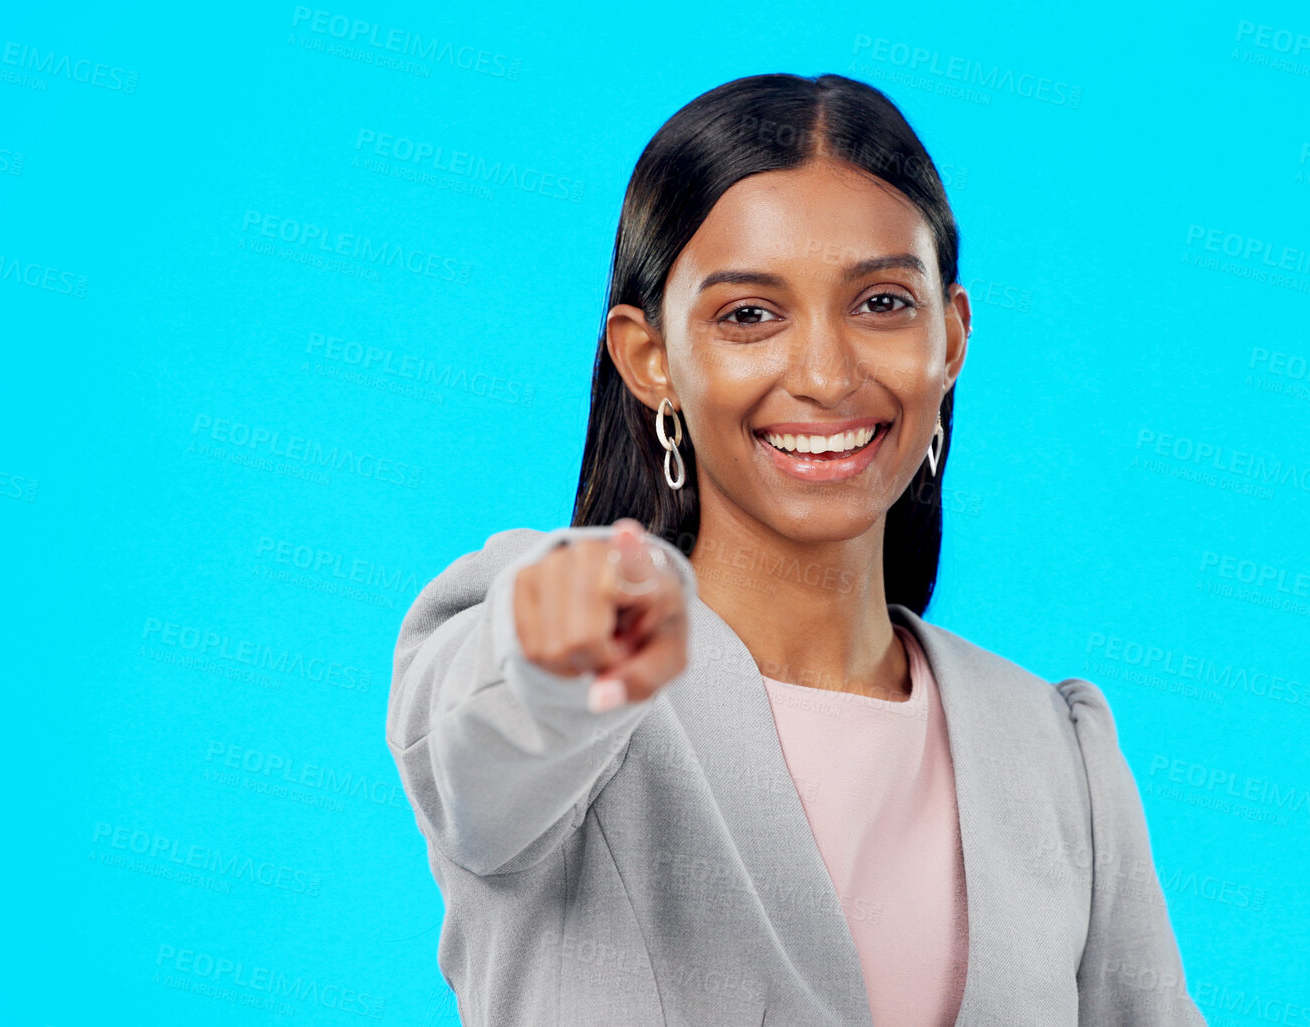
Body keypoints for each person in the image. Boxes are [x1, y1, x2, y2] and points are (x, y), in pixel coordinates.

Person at [387, 72, 1204, 1026]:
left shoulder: (1052, 752)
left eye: (884, 303)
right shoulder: (570, 662)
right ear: (650, 359)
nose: (824, 375)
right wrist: (570, 630)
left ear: (951, 340)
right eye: (748, 316)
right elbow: (478, 757)